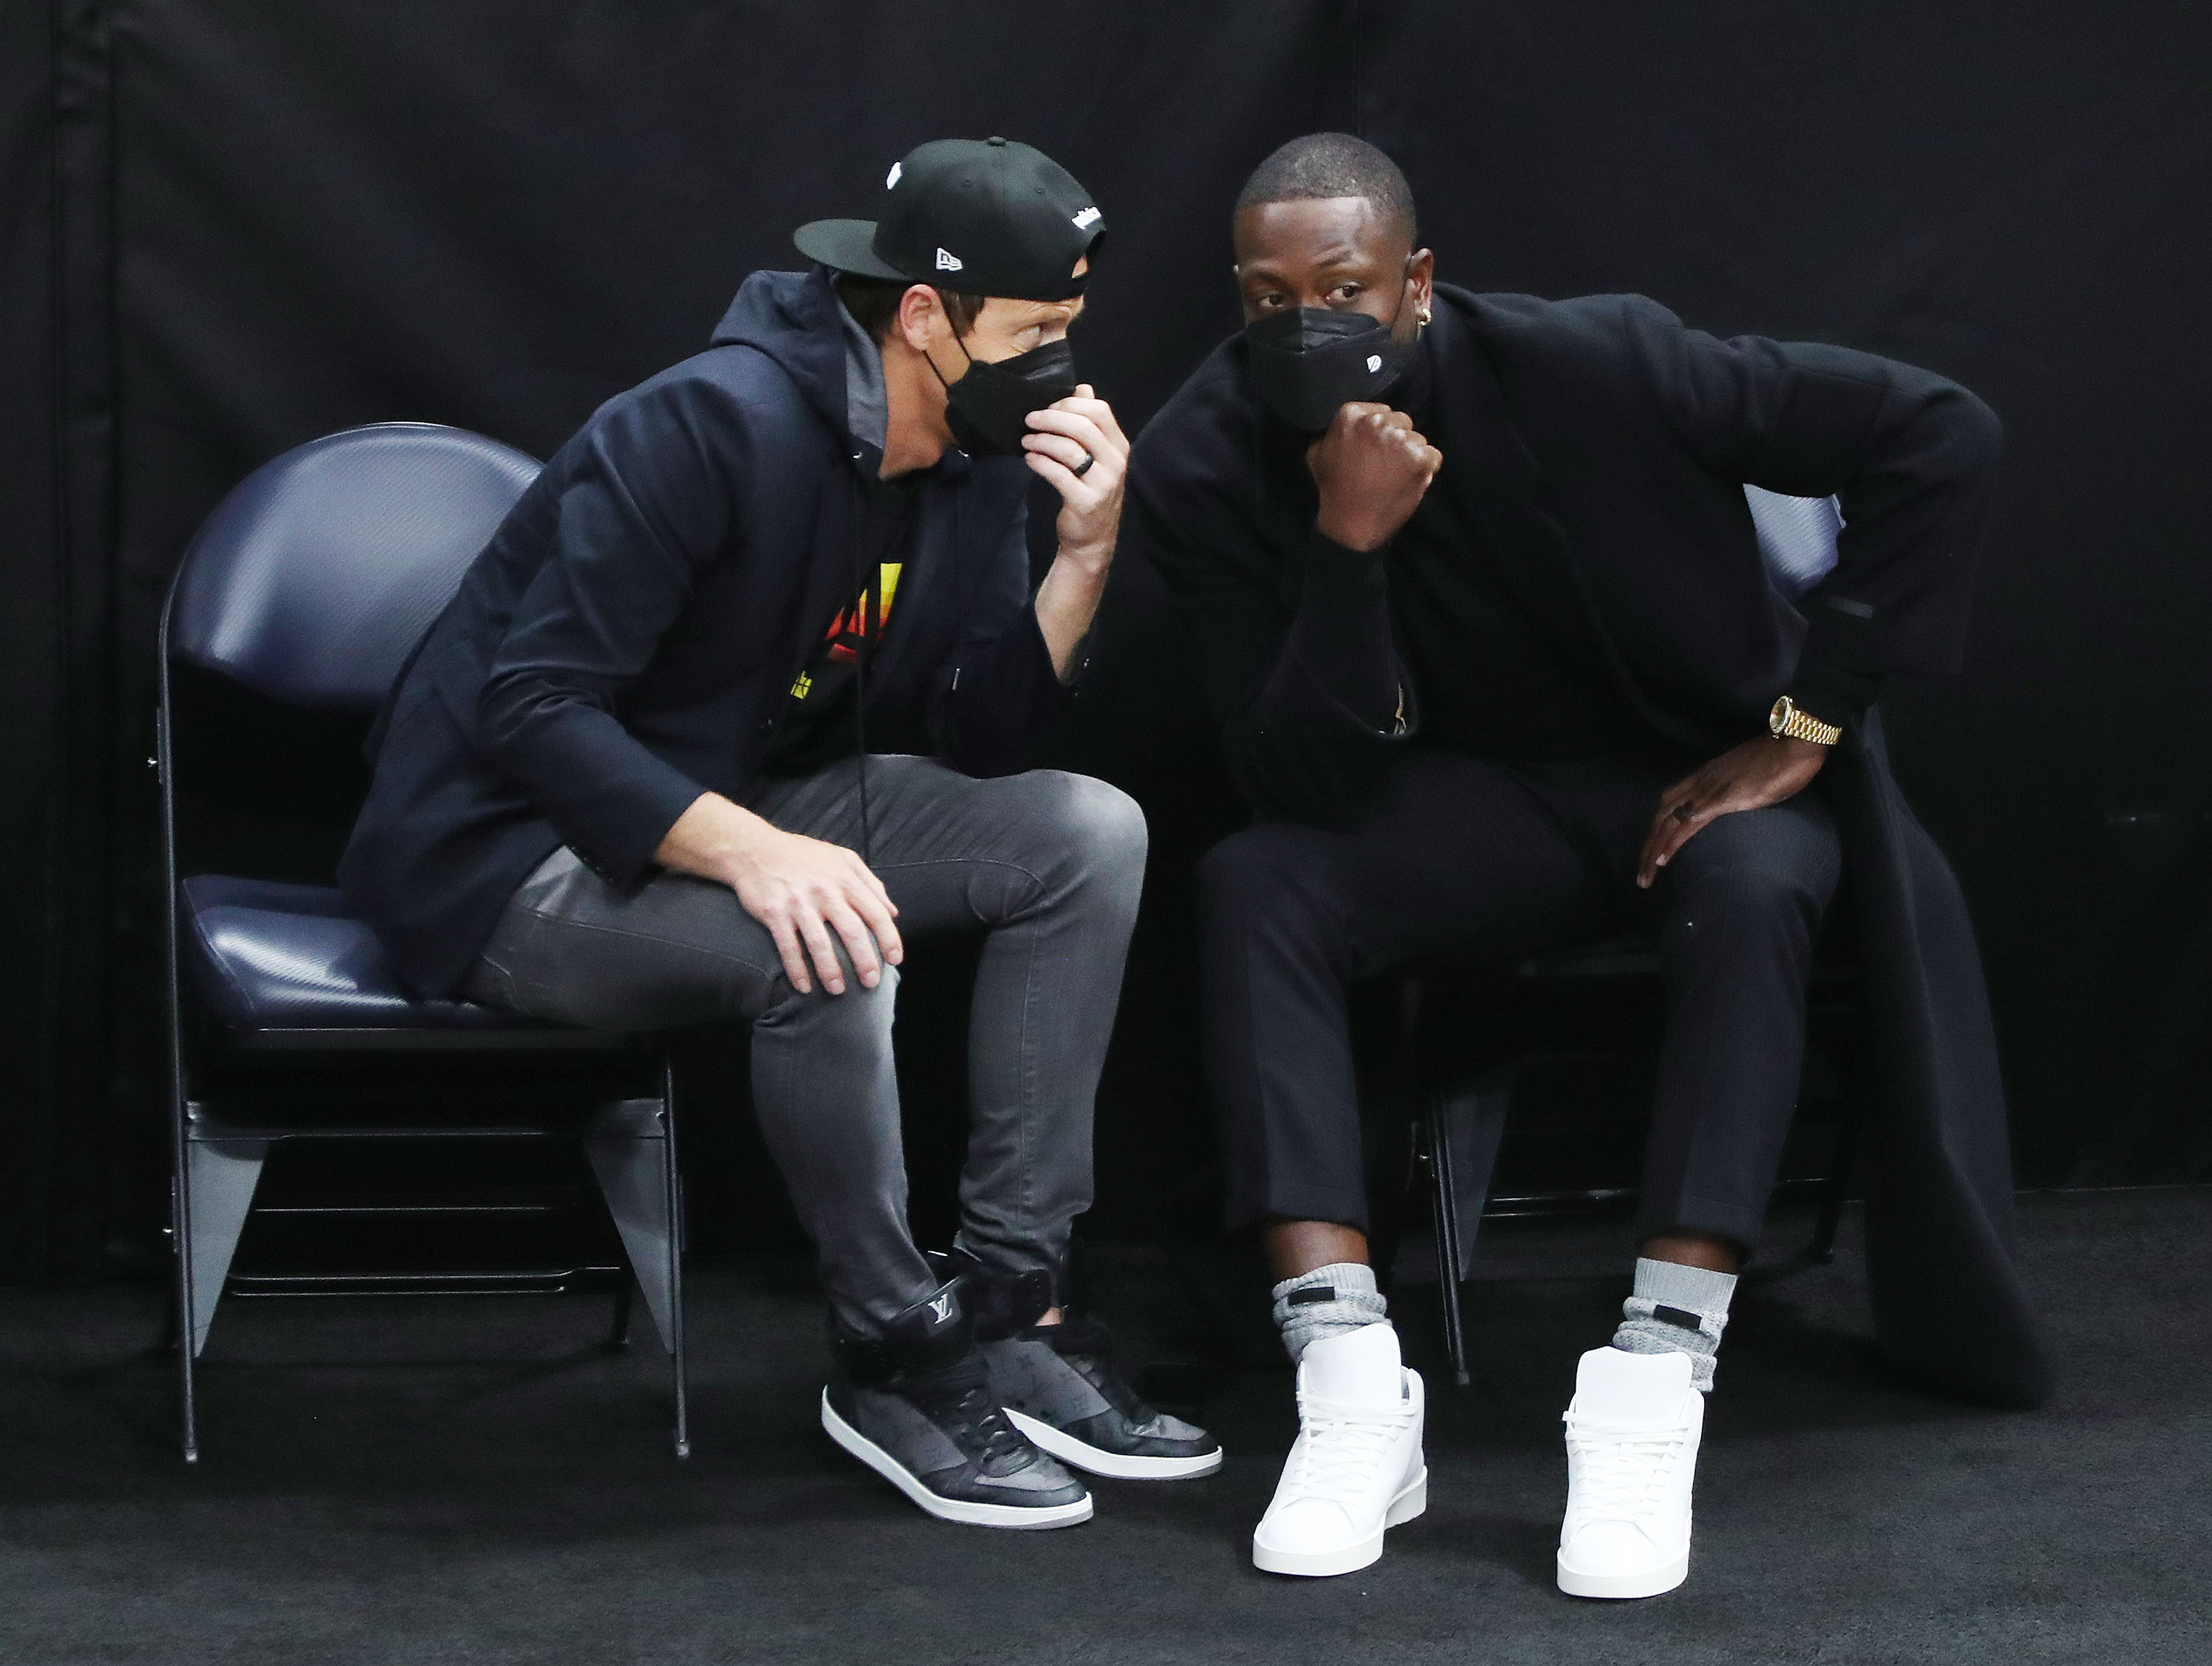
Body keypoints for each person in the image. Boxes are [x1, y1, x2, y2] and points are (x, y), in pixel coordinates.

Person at [1130, 133, 2052, 1592]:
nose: (1303, 321)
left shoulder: (1604, 363)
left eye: (1345, 285)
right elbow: (1293, 779)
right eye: (1265, 295)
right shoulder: (1201, 454)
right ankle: (1352, 1381)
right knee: (1258, 878)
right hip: (1464, 810)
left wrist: (1809, 720)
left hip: (1680, 778)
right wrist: (1347, 549)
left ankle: (1653, 1377)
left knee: (1755, 886)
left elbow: (1942, 432)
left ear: (1418, 282)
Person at [341, 136, 1220, 1530]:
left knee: (1087, 832)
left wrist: (1085, 555)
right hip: (512, 852)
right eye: (1034, 333)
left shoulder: (973, 462)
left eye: (1072, 332)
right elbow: (536, 708)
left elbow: (985, 739)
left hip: (736, 799)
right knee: (830, 934)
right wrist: (758, 854)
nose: (1061, 367)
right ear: (923, 317)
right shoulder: (704, 426)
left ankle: (1004, 1302)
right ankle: (890, 1347)